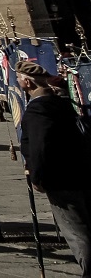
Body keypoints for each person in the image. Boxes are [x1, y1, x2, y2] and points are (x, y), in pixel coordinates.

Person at [19, 59, 91, 276]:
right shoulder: (59, 103)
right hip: (79, 171)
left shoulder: (38, 110)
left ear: (27, 82)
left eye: (19, 79)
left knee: (76, 231)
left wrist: (37, 176)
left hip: (60, 177)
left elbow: (40, 146)